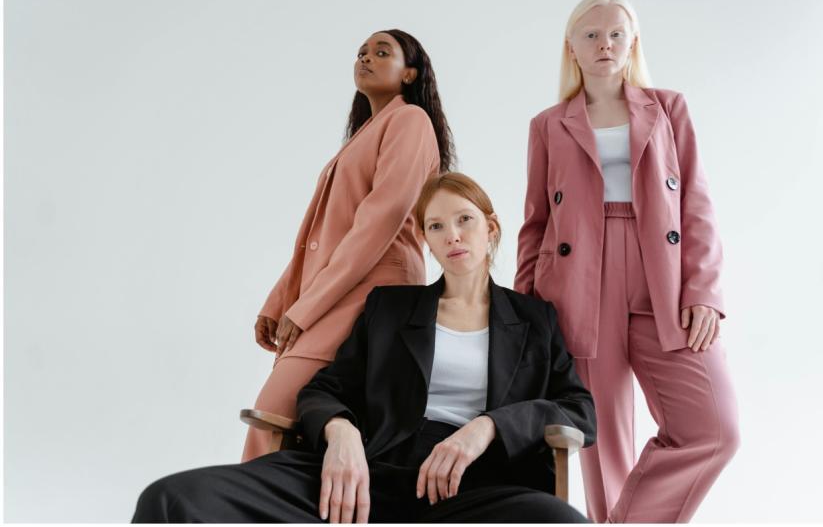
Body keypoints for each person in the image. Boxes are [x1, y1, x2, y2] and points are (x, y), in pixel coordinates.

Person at [133, 172, 596, 523]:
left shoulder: (534, 320)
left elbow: (578, 410)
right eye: (436, 226)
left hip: (474, 486)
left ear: (490, 228)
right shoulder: (390, 309)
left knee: (564, 522)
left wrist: (489, 427)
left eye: (464, 220)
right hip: (366, 471)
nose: (452, 235)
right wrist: (342, 433)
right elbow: (324, 389)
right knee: (170, 499)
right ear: (427, 243)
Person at [514, 0, 740, 523]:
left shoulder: (668, 108)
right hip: (574, 285)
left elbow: (697, 206)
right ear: (571, 46)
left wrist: (704, 292)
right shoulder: (548, 124)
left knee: (715, 430)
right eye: (591, 34)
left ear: (632, 41)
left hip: (661, 277)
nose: (604, 44)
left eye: (616, 33)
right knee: (602, 445)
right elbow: (535, 223)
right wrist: (523, 315)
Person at [244, 29, 456, 462]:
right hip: (341, 289)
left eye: (382, 52)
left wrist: (303, 309)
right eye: (361, 52)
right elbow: (319, 239)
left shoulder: (410, 121)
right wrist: (279, 301)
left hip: (374, 293)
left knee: (273, 413)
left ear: (410, 73)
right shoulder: (364, 134)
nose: (366, 58)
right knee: (290, 423)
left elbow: (377, 223)